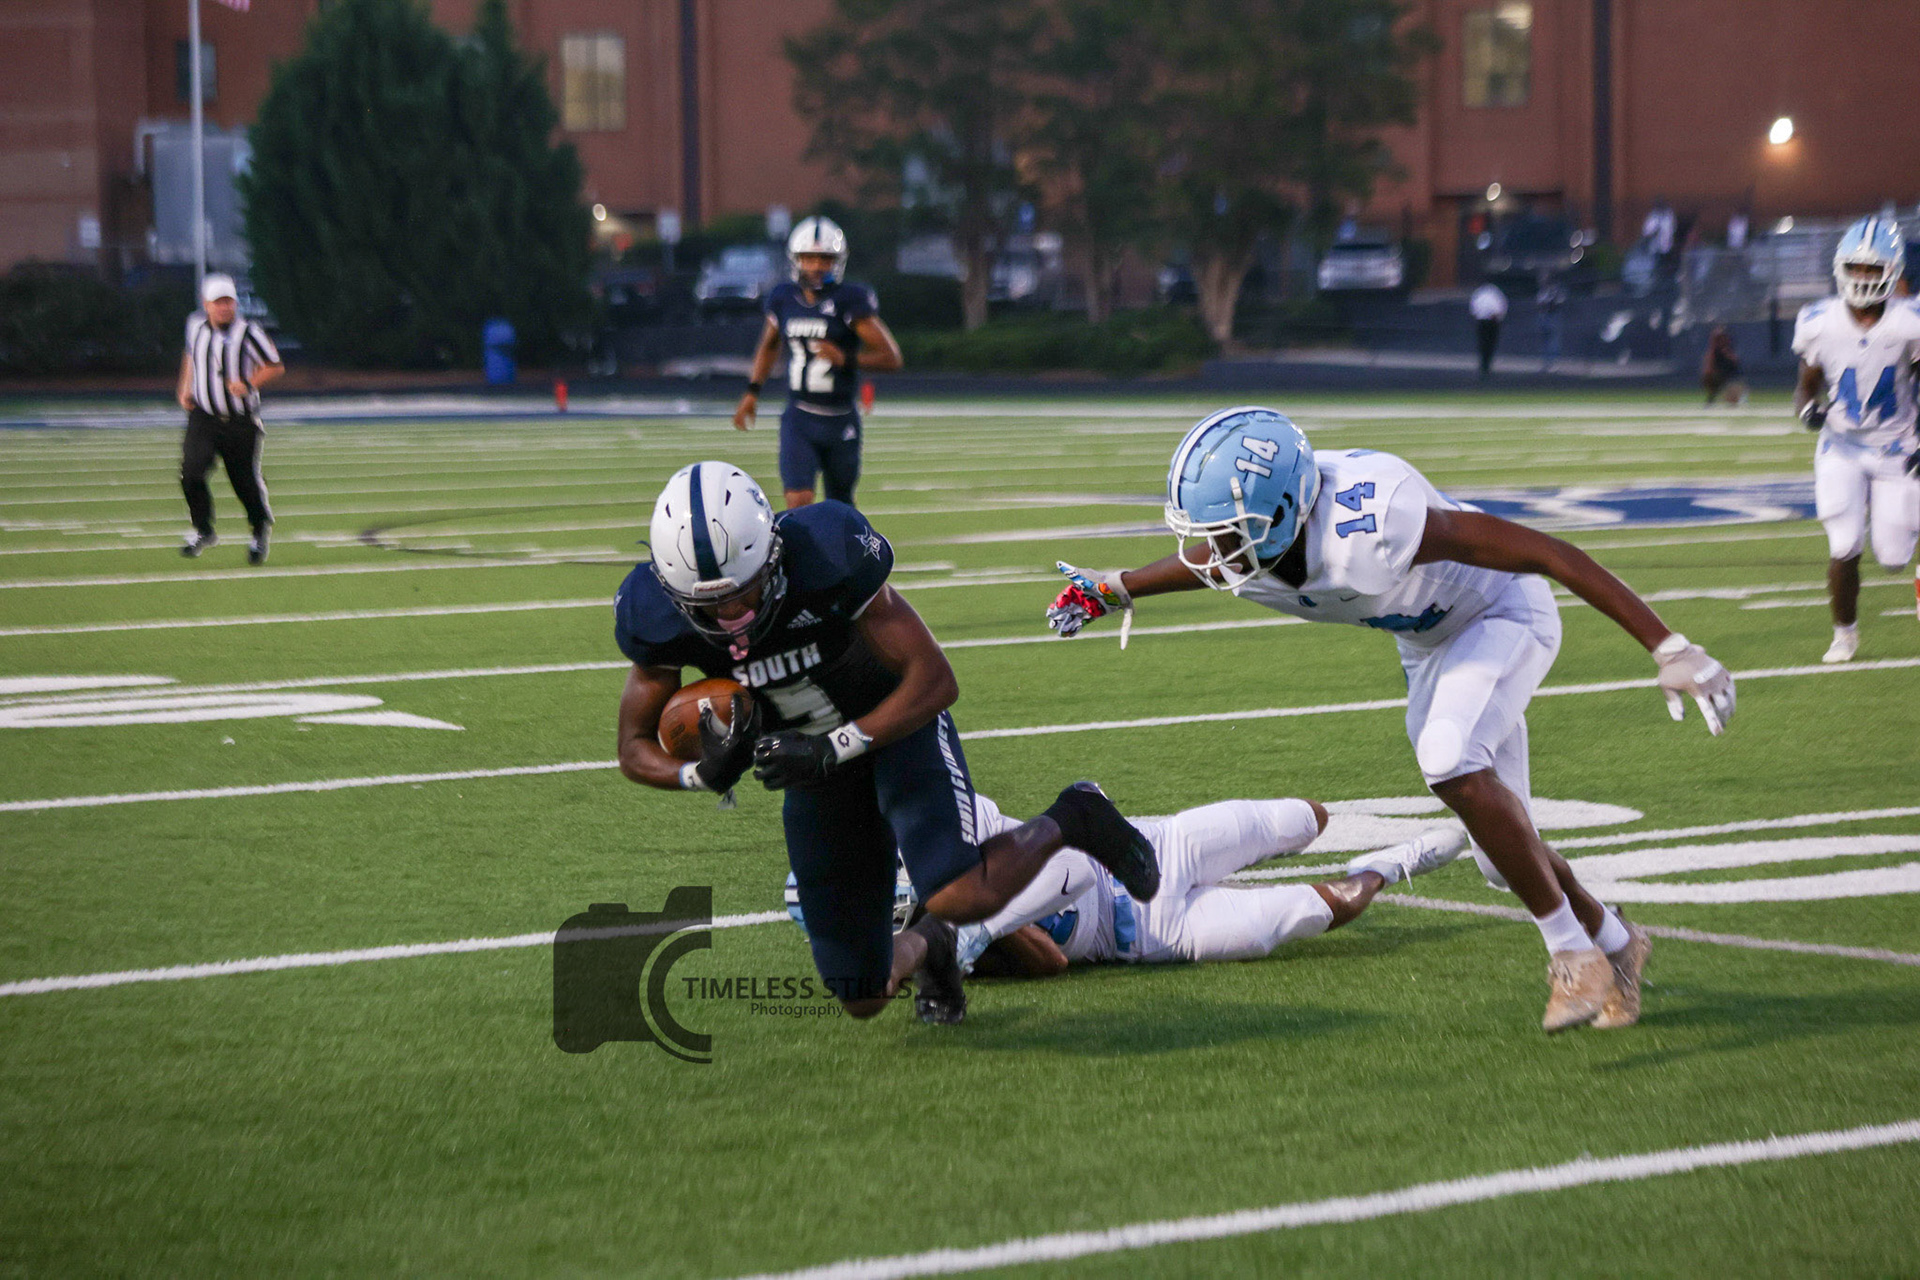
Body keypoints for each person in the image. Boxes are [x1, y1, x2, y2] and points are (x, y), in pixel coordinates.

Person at [1044, 406, 1739, 1033]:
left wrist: (1668, 646)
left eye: (1230, 535)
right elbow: (1205, 560)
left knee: (1448, 759)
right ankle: (1618, 943)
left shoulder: (1371, 523)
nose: (1215, 552)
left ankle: (1571, 954)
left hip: (1502, 614)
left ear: (1283, 513)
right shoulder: (1259, 540)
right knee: (1504, 859)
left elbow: (1546, 552)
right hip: (1430, 644)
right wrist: (1115, 587)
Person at [613, 461, 1160, 1026]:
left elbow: (934, 678)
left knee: (959, 893)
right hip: (814, 774)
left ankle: (1076, 815)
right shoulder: (653, 615)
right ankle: (933, 945)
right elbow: (633, 745)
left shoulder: (827, 556)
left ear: (773, 555)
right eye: (710, 606)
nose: (733, 617)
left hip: (895, 728)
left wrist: (833, 745)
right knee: (862, 991)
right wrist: (699, 774)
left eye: (745, 592)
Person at [784, 797, 1467, 982]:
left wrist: (980, 922)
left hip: (1153, 847)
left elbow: (1075, 868)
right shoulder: (938, 951)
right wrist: (975, 938)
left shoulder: (947, 834)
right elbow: (1052, 962)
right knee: (1310, 913)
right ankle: (1392, 864)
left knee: (1300, 818)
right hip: (1148, 935)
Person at [1791, 215, 1920, 663]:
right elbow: (1806, 385)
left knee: (1893, 557)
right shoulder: (1818, 321)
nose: (1863, 277)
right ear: (1840, 268)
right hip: (1841, 447)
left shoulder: (1909, 322)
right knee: (1844, 545)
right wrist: (1807, 408)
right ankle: (1844, 634)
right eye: (1856, 267)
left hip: (1896, 446)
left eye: (1873, 268)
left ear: (1892, 271)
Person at [732, 217, 904, 510]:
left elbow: (892, 358)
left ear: (837, 262)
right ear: (796, 260)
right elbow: (769, 344)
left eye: (825, 258)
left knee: (840, 507)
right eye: (808, 258)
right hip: (799, 417)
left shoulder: (849, 301)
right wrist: (752, 391)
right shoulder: (784, 298)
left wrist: (846, 358)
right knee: (798, 502)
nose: (816, 266)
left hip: (840, 418)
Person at [175, 273, 283, 563]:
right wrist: (185, 387)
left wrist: (248, 384)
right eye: (218, 302)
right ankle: (203, 529)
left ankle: (259, 530)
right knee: (191, 472)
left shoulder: (248, 332)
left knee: (244, 481)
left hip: (239, 420)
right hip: (204, 416)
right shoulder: (195, 325)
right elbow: (190, 354)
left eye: (229, 302)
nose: (224, 308)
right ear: (206, 304)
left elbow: (274, 365)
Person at [1469, 282, 1507, 380]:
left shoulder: (1482, 293)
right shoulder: (1493, 293)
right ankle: (1485, 364)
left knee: (1487, 343)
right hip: (1487, 321)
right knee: (1487, 343)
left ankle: (1486, 364)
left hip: (1488, 321)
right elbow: (1502, 306)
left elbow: (1474, 307)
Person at [1701, 325, 1745, 405]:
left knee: (1733, 400)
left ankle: (1737, 395)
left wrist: (1727, 353)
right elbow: (1708, 369)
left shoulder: (1731, 349)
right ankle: (1713, 396)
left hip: (1732, 378)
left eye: (1722, 338)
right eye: (1717, 339)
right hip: (1720, 378)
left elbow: (1736, 362)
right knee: (1710, 378)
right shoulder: (1713, 352)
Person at [1534, 271, 1566, 370]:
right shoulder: (1543, 291)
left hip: (1553, 316)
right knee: (1545, 340)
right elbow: (1539, 303)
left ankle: (1552, 362)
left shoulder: (1555, 290)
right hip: (1543, 316)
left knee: (1553, 340)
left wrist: (1549, 304)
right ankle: (1546, 362)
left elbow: (1559, 302)